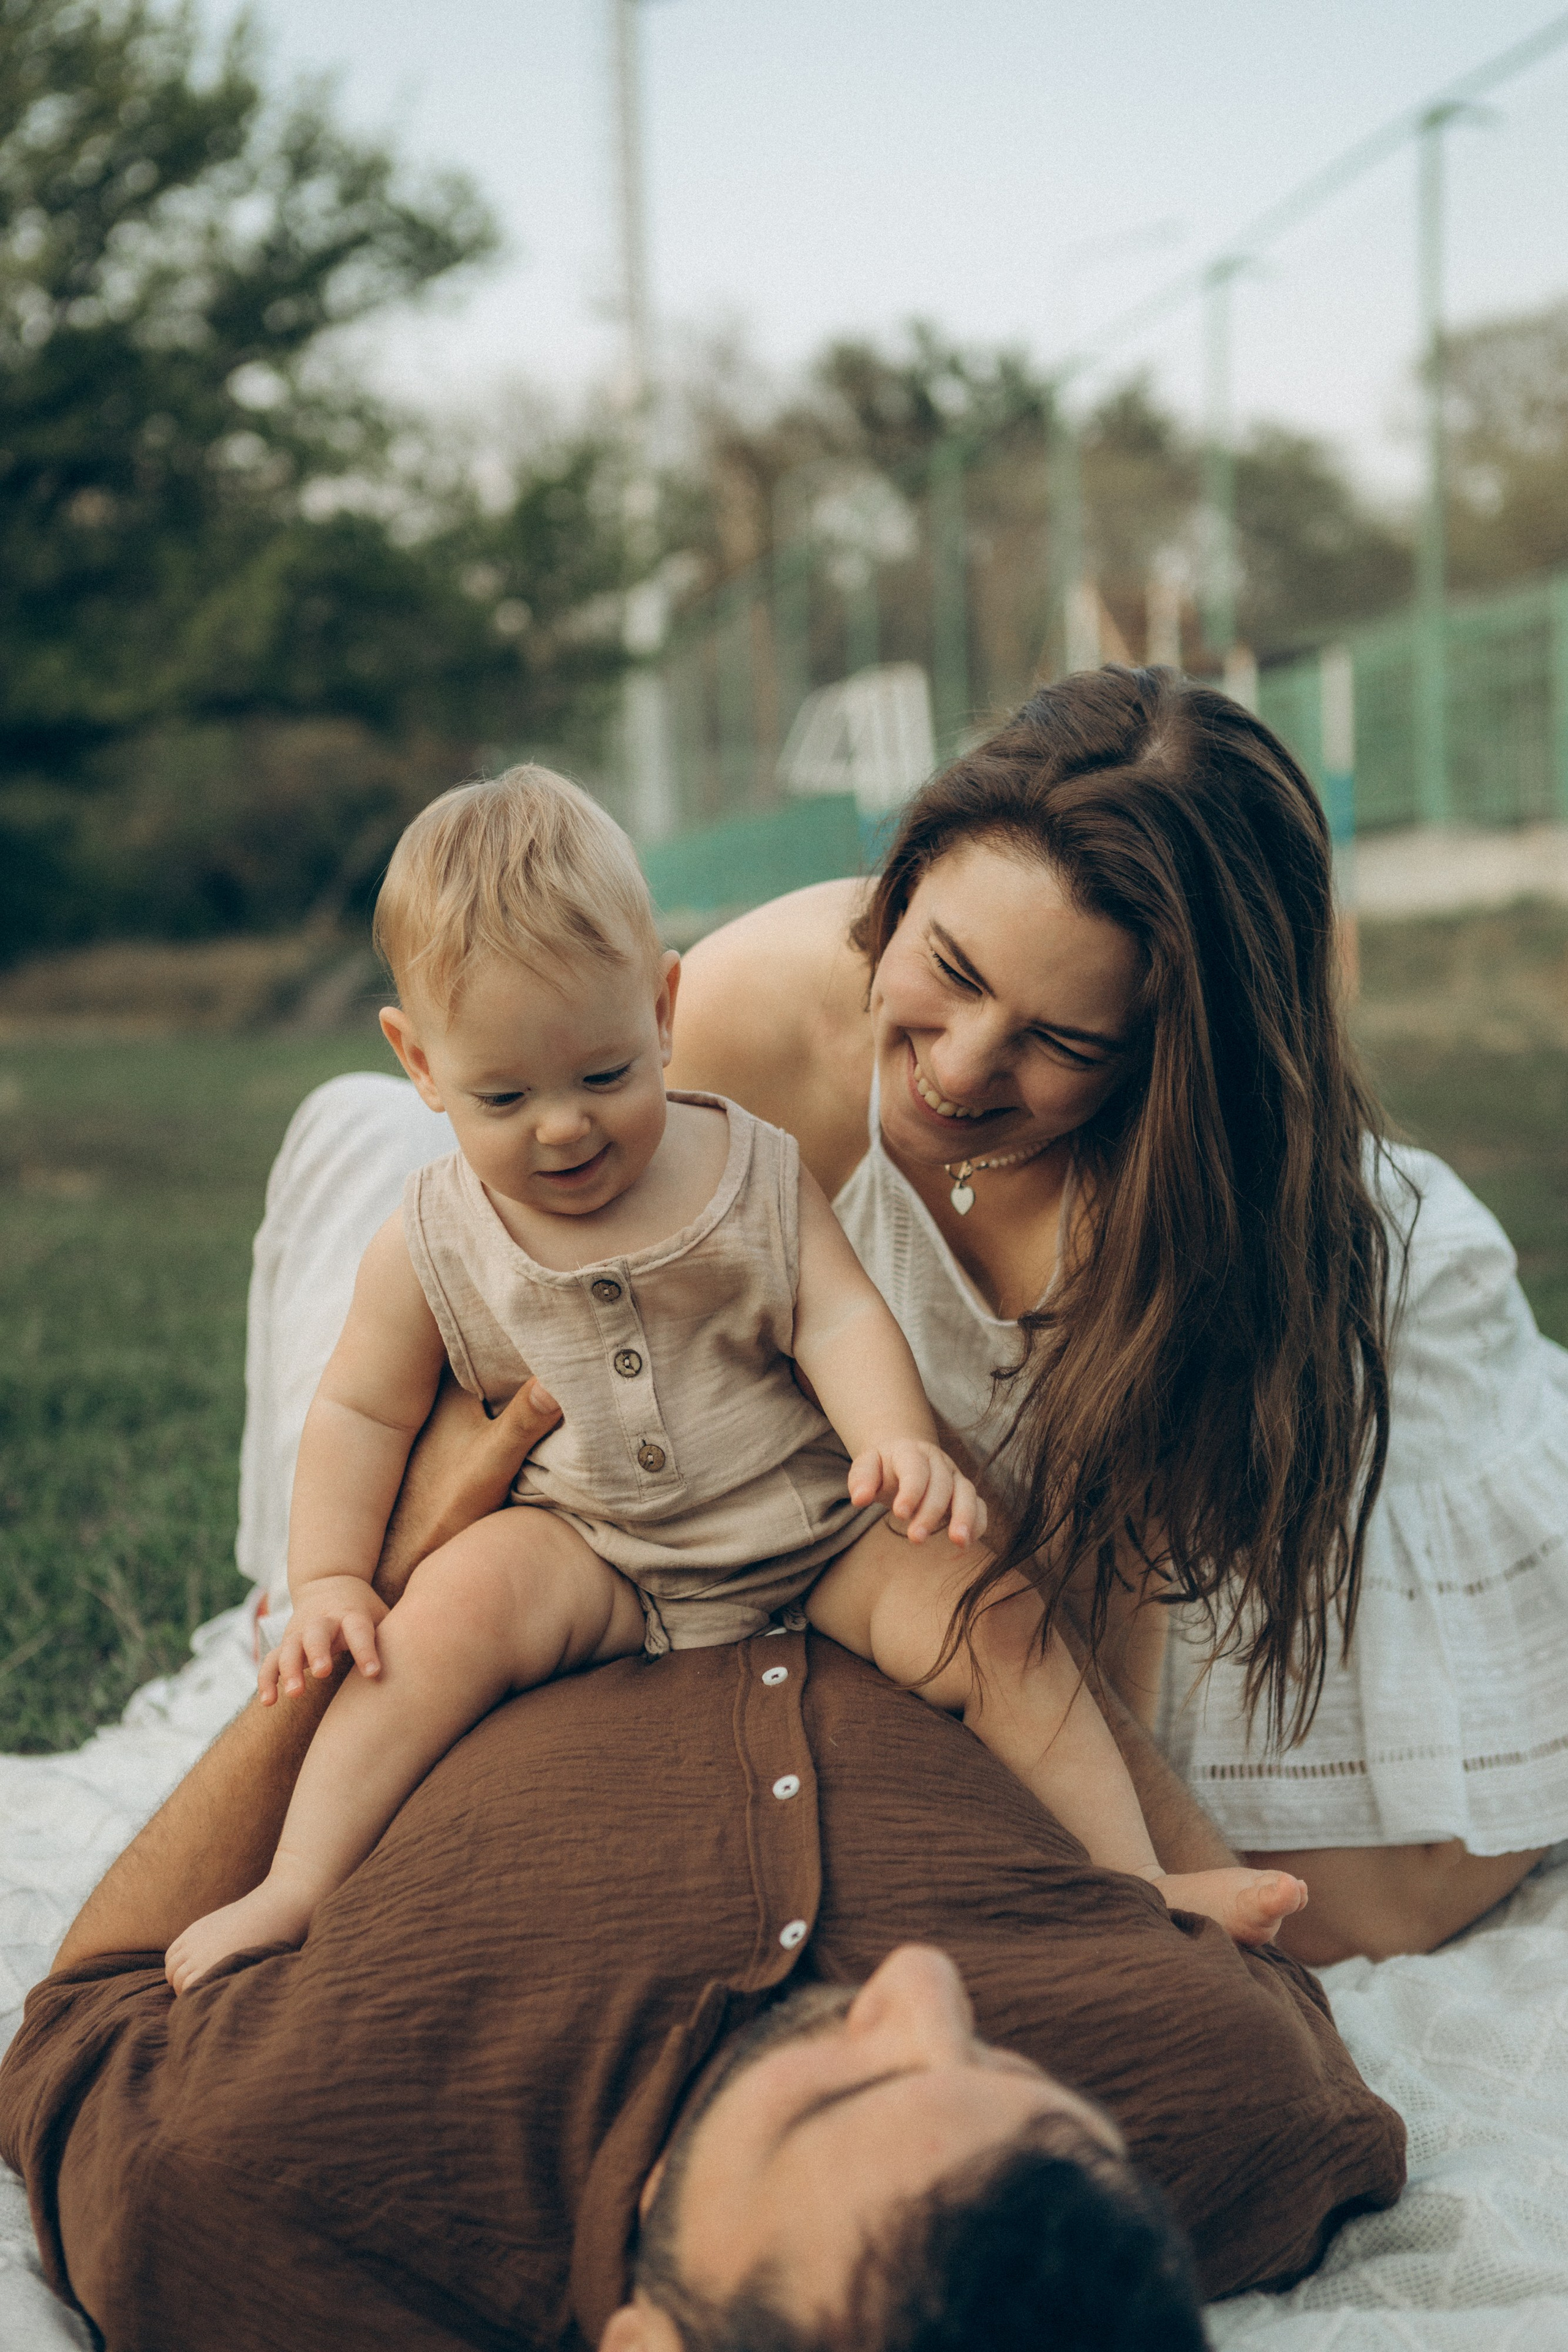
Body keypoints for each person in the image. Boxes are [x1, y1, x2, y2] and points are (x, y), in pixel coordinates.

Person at [167, 767, 1301, 1994]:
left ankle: (1136, 1879)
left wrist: (892, 1441)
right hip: (583, 1539)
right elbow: (359, 1410)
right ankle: (296, 1883)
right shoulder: (430, 1234)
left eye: (604, 1077)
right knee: (431, 1637)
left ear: (662, 1008)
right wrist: (329, 1575)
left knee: (999, 1620)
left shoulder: (747, 1166)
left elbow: (839, 1311)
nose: (563, 1130)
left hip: (808, 1527)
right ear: (420, 1062)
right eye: (504, 1097)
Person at [0, 1378, 1406, 2352]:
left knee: (401, 1138)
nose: (922, 1989)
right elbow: (1235, 1962)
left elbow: (88, 1999)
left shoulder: (255, 2196)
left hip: (494, 1557)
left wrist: (385, 1578)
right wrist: (1006, 1626)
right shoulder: (1220, 2126)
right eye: (1017, 2071)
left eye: (833, 2097)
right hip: (867, 1499)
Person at [662, 666, 1568, 1966]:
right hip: (964, 1524)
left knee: (1351, 1911)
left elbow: (1104, 1644)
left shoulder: (1171, 1206)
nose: (964, 1066)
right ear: (903, 879)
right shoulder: (745, 1018)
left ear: (1160, 1058)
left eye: (1062, 1043)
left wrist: (1144, 1875)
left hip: (1322, 1354)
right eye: (949, 967)